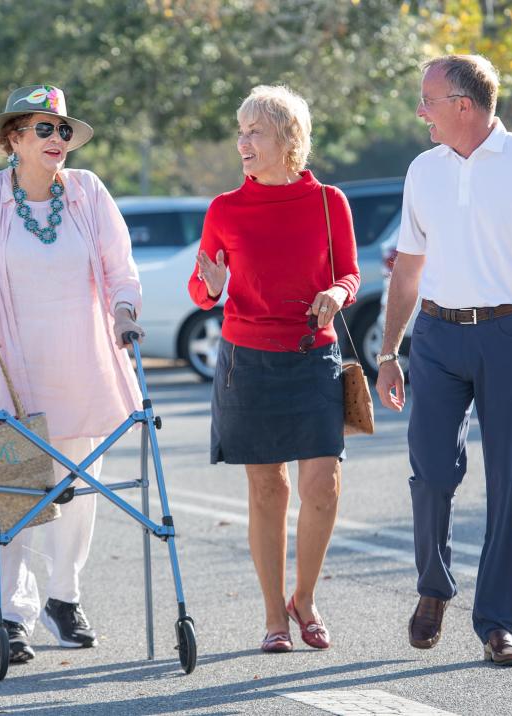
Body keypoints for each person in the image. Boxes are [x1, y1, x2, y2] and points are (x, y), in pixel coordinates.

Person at [375, 55, 512, 667]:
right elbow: (408, 269)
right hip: (436, 336)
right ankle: (434, 589)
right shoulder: (422, 171)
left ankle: (497, 623)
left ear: (463, 104)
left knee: (508, 484)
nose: (420, 110)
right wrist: (388, 351)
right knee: (432, 472)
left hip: (511, 335)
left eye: (428, 99)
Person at [0, 84, 145, 664]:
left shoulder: (88, 192)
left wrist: (126, 309)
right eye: (44, 129)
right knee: (15, 491)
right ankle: (10, 613)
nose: (58, 139)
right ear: (14, 140)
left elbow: (117, 264)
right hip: (8, 362)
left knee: (79, 487)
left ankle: (65, 597)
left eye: (63, 130)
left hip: (79, 361)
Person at [187, 85, 360, 653]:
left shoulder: (330, 203)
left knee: (322, 487)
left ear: (289, 139)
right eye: (240, 131)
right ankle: (273, 616)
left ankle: (304, 597)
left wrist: (336, 291)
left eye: (254, 131)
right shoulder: (225, 209)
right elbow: (201, 287)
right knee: (266, 489)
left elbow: (350, 274)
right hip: (247, 360)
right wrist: (210, 287)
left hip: (314, 355)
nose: (242, 142)